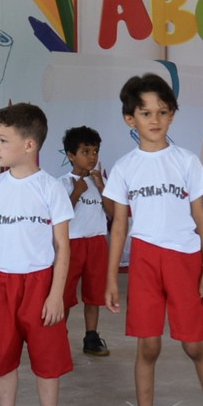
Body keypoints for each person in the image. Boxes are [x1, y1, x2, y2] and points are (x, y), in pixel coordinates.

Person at [103, 72, 203, 406]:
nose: (154, 119)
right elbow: (120, 225)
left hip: (184, 259)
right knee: (149, 346)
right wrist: (111, 277)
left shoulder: (186, 161)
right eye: (145, 113)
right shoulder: (125, 167)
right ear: (130, 119)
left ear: (173, 115)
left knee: (195, 344)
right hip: (144, 260)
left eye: (162, 111)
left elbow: (202, 220)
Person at [0, 102, 73, 406]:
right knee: (3, 356)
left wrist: (56, 294)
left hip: (40, 284)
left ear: (29, 144)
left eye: (1, 139)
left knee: (47, 359)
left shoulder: (51, 188)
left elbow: (62, 246)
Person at [60, 125, 111, 358]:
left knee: (94, 292)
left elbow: (112, 213)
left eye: (95, 152)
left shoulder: (100, 182)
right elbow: (60, 216)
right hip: (71, 244)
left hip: (97, 242)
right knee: (65, 294)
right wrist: (76, 193)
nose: (92, 157)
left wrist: (100, 187)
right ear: (71, 155)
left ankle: (91, 336)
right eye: (86, 151)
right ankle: (58, 336)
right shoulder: (60, 183)